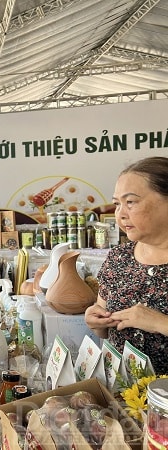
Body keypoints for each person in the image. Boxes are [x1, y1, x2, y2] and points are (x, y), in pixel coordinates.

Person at [84, 156, 168, 375]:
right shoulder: (119, 257)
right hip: (122, 395)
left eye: (130, 202)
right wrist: (97, 323)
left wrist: (160, 323)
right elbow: (105, 332)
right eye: (117, 203)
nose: (120, 214)